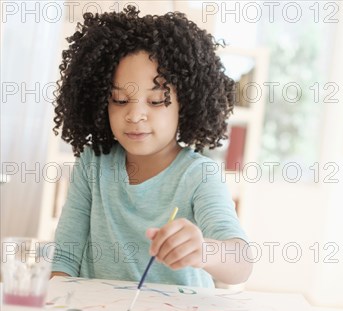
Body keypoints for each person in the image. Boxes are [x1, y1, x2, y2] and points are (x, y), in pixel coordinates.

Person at [50, 6, 252, 287]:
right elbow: (64, 258)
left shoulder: (199, 176)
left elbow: (241, 263)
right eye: (120, 100)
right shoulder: (92, 164)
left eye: (156, 101)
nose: (134, 115)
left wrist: (205, 251)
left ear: (188, 104)